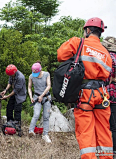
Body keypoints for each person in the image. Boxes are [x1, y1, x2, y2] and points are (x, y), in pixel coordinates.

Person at [57, 17, 113, 158]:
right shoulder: (106, 52)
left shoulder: (78, 42)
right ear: (100, 32)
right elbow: (108, 74)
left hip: (85, 95)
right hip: (102, 94)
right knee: (104, 130)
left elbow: (60, 55)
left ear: (87, 30)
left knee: (86, 131)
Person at [28, 62, 52, 143]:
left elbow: (49, 86)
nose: (35, 74)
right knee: (36, 114)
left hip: (46, 97)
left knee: (46, 116)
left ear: (40, 70)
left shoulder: (46, 74)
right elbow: (29, 87)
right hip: (36, 97)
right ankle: (31, 131)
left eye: (37, 73)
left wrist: (42, 96)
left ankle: (45, 134)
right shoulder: (31, 76)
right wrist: (31, 97)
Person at [102, 36, 116, 156]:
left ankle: (112, 150)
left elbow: (108, 77)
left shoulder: (108, 58)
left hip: (110, 95)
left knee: (110, 126)